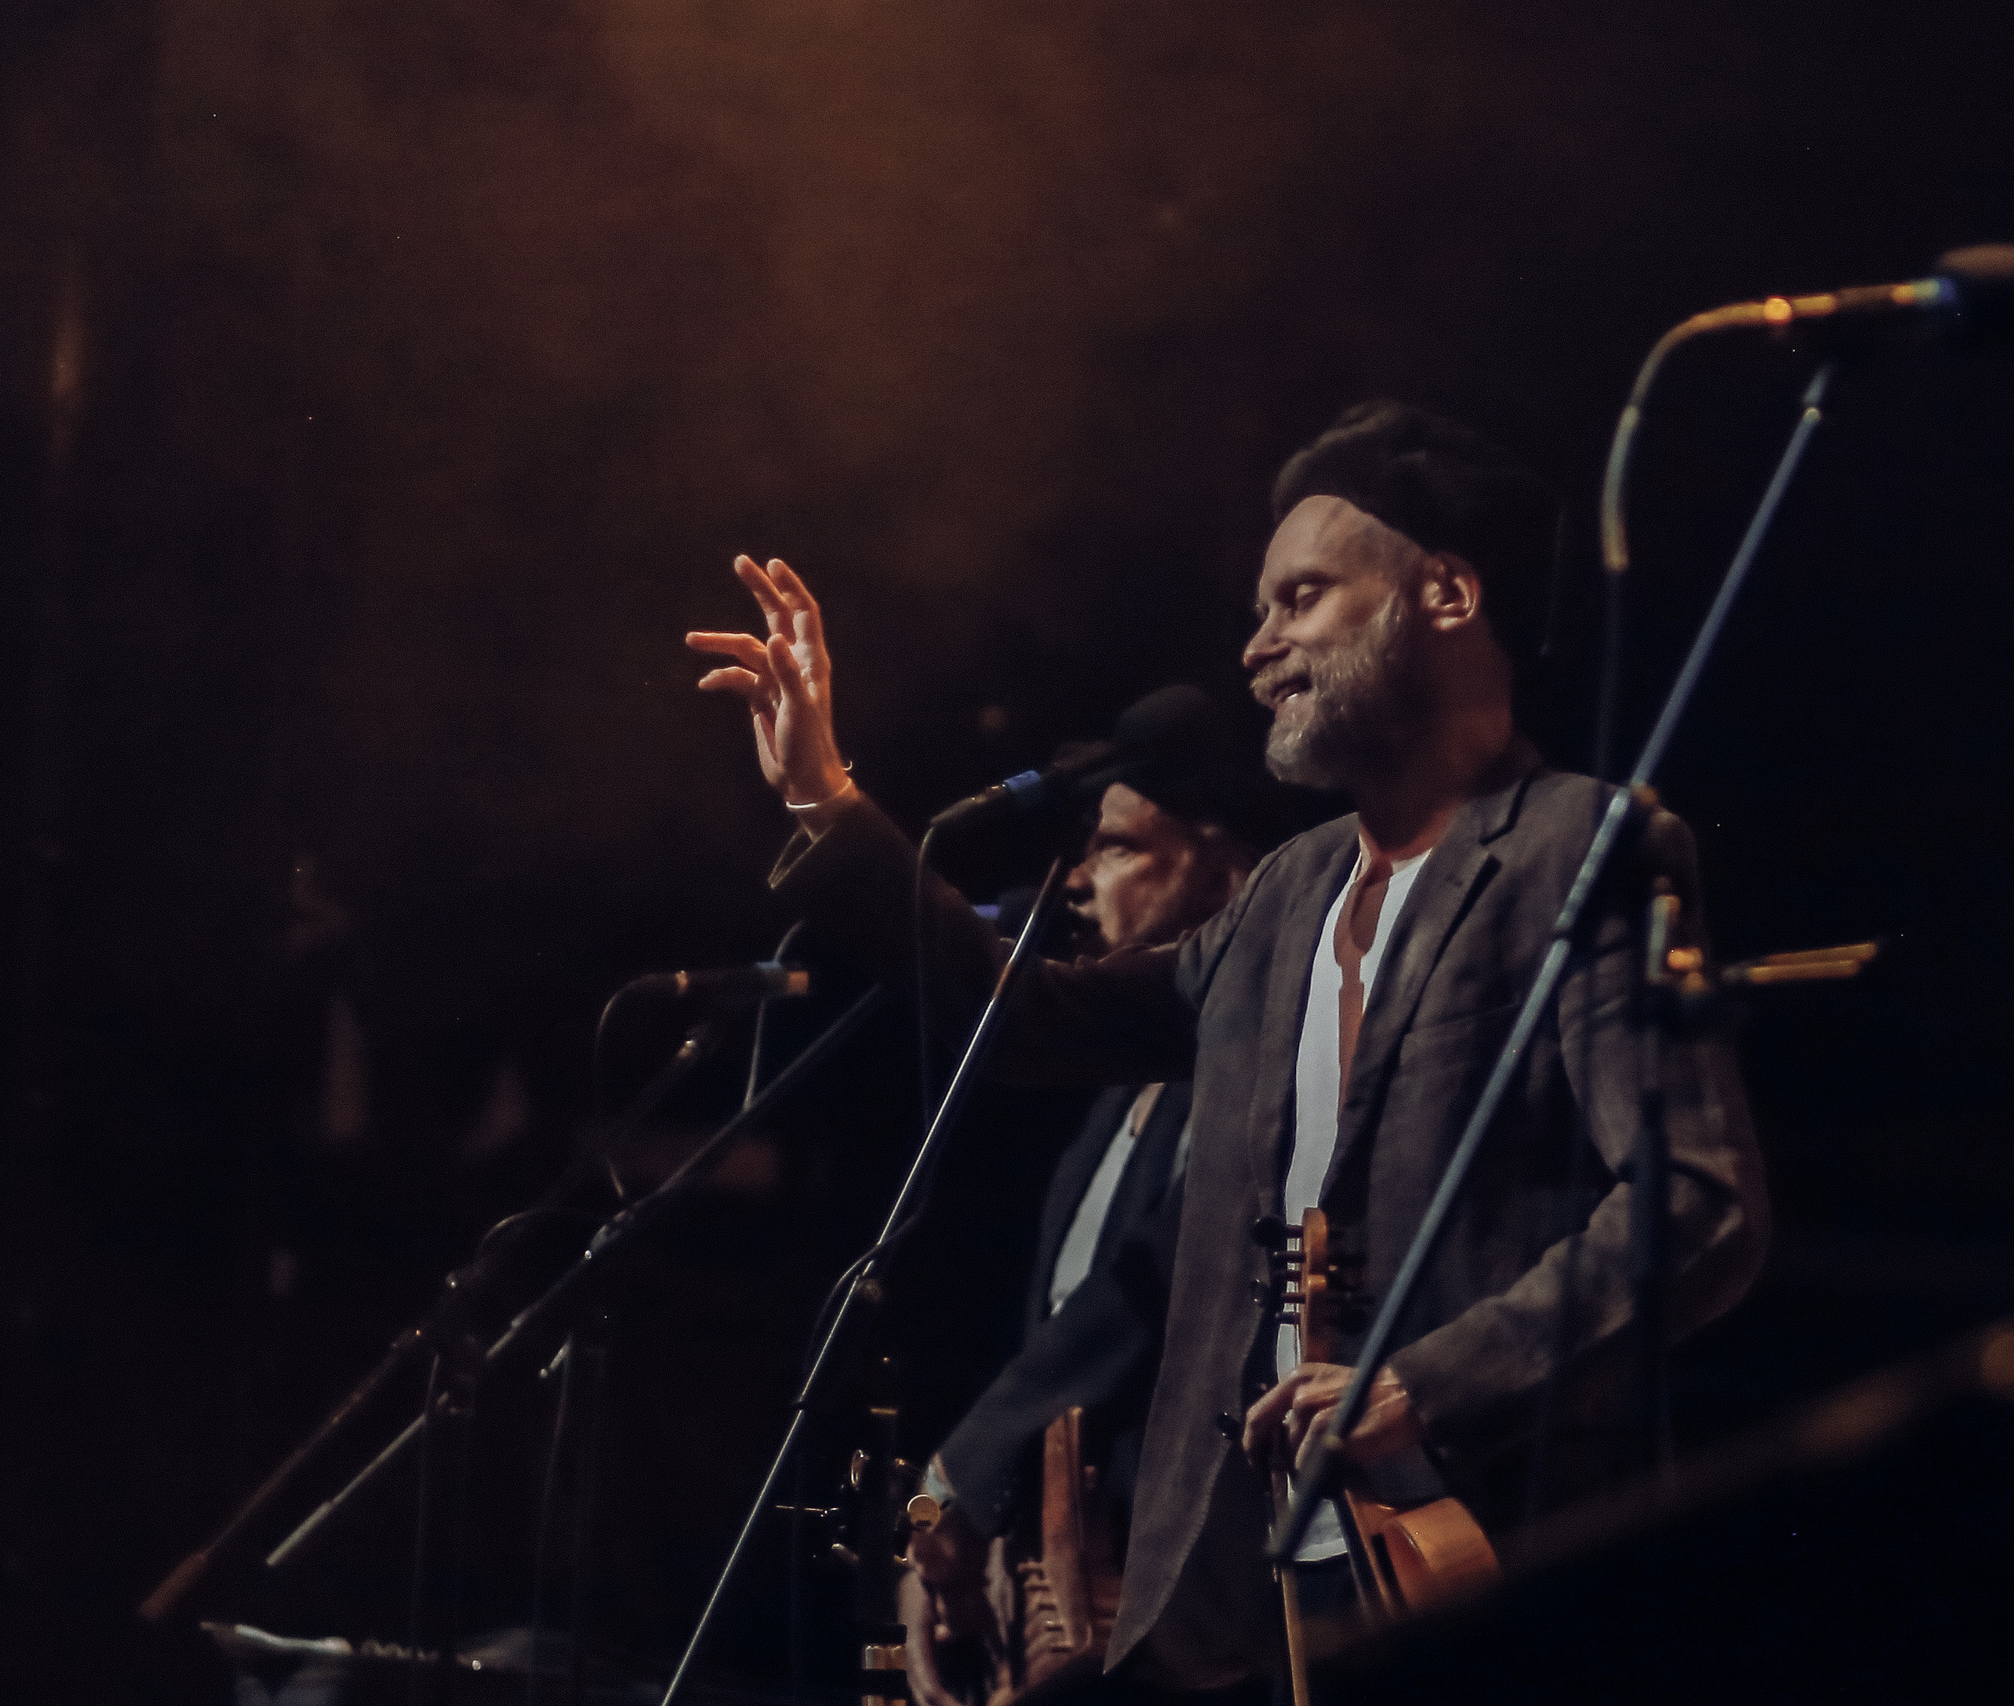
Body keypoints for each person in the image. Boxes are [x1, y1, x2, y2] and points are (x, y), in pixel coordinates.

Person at [686, 401, 1768, 1691]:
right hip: (1216, 1598)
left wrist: (1423, 1380)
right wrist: (830, 799)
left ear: (1442, 590)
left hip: (1460, 1555)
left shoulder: (1575, 849)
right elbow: (1026, 1021)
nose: (1257, 648)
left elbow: (1697, 1208)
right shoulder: (1284, 895)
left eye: (1300, 599)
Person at [901, 703, 1289, 1705]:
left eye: (1116, 846)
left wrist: (958, 1474)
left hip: (1206, 1611)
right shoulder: (1115, 1095)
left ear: (1228, 863)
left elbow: (1147, 1293)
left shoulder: (1269, 1067)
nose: (1075, 881)